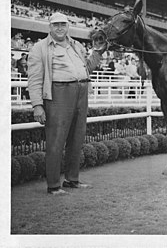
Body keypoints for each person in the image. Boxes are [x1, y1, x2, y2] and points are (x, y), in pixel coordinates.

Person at [27, 12, 107, 195]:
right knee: (56, 140)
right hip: (58, 94)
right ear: (49, 27)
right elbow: (34, 79)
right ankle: (54, 185)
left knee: (77, 139)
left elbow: (87, 68)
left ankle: (72, 180)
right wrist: (37, 105)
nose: (60, 27)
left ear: (68, 26)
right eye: (56, 25)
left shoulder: (76, 45)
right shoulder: (39, 48)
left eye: (63, 24)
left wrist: (97, 52)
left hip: (81, 91)